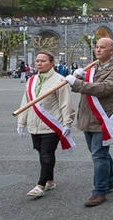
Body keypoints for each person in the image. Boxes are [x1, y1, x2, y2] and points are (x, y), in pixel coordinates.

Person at [65, 37, 113, 207]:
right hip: (87, 116)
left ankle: (99, 191)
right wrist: (81, 77)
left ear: (112, 51)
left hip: (103, 118)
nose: (98, 50)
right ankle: (110, 181)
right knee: (99, 153)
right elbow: (91, 85)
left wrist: (77, 83)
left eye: (102, 47)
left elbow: (103, 89)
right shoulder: (92, 67)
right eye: (97, 47)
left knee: (98, 154)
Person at [16, 51, 76, 197]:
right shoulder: (31, 80)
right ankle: (50, 180)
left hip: (52, 123)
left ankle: (40, 185)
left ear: (51, 63)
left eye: (43, 61)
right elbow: (26, 102)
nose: (39, 63)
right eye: (37, 61)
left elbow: (65, 104)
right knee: (41, 151)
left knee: (46, 154)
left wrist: (67, 123)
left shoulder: (59, 80)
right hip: (34, 123)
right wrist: (21, 122)